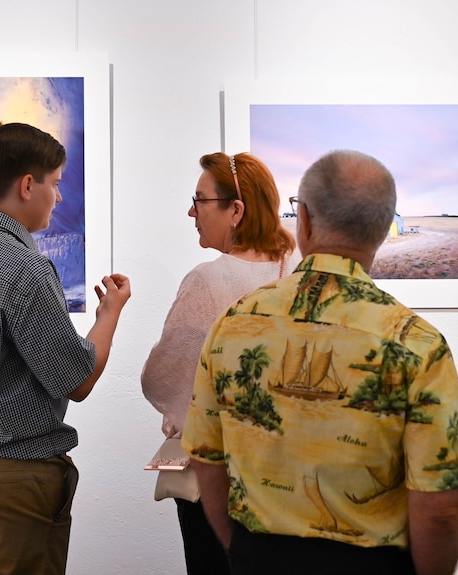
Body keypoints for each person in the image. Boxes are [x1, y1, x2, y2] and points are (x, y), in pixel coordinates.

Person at [182, 150, 458, 575]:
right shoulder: (418, 345)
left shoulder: (234, 324)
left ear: (302, 220)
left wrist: (244, 551)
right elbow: (441, 507)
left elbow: (206, 457)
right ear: (381, 229)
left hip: (258, 558)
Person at [0, 122, 131, 575]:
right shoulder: (25, 267)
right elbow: (77, 381)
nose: (58, 197)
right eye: (55, 184)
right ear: (27, 185)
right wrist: (109, 315)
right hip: (9, 474)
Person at [141, 152, 296, 574]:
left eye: (200, 200)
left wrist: (180, 412)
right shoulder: (301, 272)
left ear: (236, 211)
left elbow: (161, 377)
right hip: (291, 480)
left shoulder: (208, 280)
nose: (191, 211)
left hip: (218, 481)